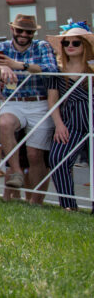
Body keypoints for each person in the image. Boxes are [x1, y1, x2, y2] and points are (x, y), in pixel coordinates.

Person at [0, 14, 58, 203]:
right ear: (12, 29)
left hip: (40, 102)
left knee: (35, 155)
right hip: (13, 100)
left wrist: (19, 66)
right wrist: (0, 68)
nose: (24, 34)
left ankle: (35, 202)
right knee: (4, 123)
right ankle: (16, 171)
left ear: (34, 33)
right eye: (20, 30)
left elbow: (52, 68)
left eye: (29, 31)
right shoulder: (1, 47)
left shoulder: (42, 46)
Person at [45, 23, 94, 211]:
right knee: (58, 159)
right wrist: (58, 124)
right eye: (66, 43)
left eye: (76, 42)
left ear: (85, 46)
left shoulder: (92, 71)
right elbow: (52, 101)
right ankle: (68, 206)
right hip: (70, 122)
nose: (70, 46)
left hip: (92, 120)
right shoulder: (56, 71)